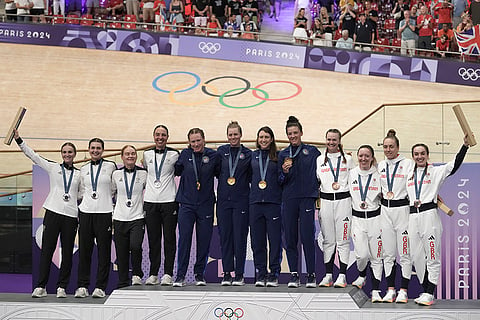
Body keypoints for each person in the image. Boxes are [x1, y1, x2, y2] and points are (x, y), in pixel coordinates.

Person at [14, 130, 81, 298]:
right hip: (52, 213)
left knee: (67, 253)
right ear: (61, 154)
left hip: (71, 217)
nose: (67, 155)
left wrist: (73, 197)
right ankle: (41, 286)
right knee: (47, 251)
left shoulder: (80, 174)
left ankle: (61, 287)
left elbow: (82, 193)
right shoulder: (53, 167)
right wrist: (19, 140)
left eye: (70, 152)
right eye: (64, 152)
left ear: (75, 154)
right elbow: (33, 156)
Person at [407, 136, 470, 306]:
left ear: (427, 155)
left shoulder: (435, 171)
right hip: (412, 217)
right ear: (413, 156)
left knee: (432, 255)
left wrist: (464, 146)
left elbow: (454, 165)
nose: (419, 156)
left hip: (429, 216)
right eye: (416, 154)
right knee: (416, 256)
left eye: (422, 154)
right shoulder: (408, 174)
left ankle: (429, 292)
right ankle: (425, 290)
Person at [173, 128, 219, 287]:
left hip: (205, 205)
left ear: (204, 140)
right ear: (189, 143)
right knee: (184, 240)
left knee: (204, 241)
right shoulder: (185, 155)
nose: (196, 144)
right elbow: (176, 171)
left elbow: (221, 173)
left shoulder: (213, 156)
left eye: (198, 140)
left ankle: (200, 274)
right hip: (186, 204)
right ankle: (180, 275)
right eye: (193, 141)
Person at [279, 116, 321, 288]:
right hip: (289, 200)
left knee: (307, 237)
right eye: (290, 134)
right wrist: (283, 171)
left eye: (295, 133)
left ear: (301, 133)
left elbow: (322, 172)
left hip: (306, 200)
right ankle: (294, 275)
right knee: (290, 238)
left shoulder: (312, 152)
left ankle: (311, 274)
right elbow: (279, 180)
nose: (293, 136)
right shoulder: (283, 154)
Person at [75, 138, 117, 299]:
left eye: (98, 148)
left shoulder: (111, 166)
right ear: (88, 149)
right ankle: (82, 286)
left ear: (103, 150)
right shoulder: (83, 169)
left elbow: (113, 188)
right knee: (85, 252)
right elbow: (81, 191)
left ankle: (100, 286)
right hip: (85, 213)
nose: (95, 151)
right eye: (92, 148)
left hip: (105, 213)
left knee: (104, 253)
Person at [378, 130, 414, 303]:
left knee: (405, 252)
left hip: (402, 211)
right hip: (385, 211)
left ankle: (404, 290)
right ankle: (391, 289)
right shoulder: (380, 165)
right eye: (385, 147)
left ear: (398, 147)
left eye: (391, 146)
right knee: (388, 254)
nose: (388, 150)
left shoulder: (408, 163)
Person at [142, 125, 180, 286]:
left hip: (169, 201)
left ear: (167, 137)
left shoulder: (174, 154)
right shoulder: (146, 154)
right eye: (157, 135)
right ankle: (153, 274)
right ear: (153, 136)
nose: (160, 138)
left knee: (169, 239)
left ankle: (168, 273)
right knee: (153, 240)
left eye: (163, 135)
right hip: (150, 202)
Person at [316, 129, 354, 288]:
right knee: (328, 240)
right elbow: (318, 180)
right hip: (325, 202)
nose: (331, 142)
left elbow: (354, 181)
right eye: (329, 139)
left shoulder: (349, 159)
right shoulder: (319, 160)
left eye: (334, 140)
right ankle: (328, 275)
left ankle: (343, 276)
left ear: (339, 141)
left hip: (343, 202)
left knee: (343, 240)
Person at [216, 122, 252, 286]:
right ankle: (227, 273)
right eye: (230, 135)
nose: (233, 137)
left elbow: (252, 176)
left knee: (239, 238)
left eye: (235, 134)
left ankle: (239, 273)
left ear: (241, 135)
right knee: (225, 238)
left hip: (241, 202)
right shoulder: (221, 152)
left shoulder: (248, 154)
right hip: (223, 201)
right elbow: (217, 172)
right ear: (227, 136)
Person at [349, 145, 383, 303]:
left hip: (375, 219)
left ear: (372, 157)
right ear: (357, 157)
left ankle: (376, 290)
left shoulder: (379, 175)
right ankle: (362, 275)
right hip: (357, 220)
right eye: (361, 156)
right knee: (361, 255)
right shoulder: (351, 174)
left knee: (376, 257)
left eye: (367, 156)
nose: (363, 159)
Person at [249, 126, 282, 287]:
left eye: (266, 137)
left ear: (271, 139)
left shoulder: (278, 156)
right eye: (261, 137)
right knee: (257, 242)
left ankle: (274, 273)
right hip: (255, 203)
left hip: (273, 203)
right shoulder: (252, 156)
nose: (263, 140)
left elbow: (282, 178)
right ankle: (261, 273)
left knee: (274, 241)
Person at [111, 145, 147, 288]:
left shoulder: (144, 173)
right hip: (120, 218)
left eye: (133, 153)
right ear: (122, 157)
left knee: (136, 246)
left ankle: (137, 274)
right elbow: (111, 193)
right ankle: (123, 280)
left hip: (137, 217)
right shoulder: (116, 174)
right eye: (127, 154)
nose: (130, 156)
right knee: (121, 251)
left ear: (136, 156)